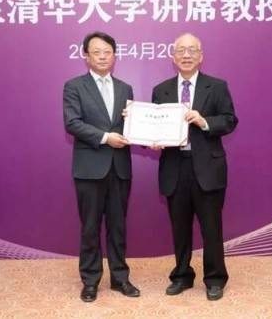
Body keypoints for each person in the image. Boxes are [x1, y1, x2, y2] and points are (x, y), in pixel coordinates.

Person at [151, 33, 238, 301]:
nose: (186, 55)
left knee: (211, 228)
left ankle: (215, 278)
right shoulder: (161, 90)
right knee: (180, 228)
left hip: (207, 168)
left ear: (201, 56)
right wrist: (153, 139)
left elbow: (229, 120)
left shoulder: (217, 86)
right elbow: (154, 124)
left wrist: (204, 121)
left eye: (192, 50)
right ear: (173, 57)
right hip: (174, 167)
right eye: (181, 50)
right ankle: (181, 276)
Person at [63, 31, 140, 302]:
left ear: (114, 56)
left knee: (118, 227)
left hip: (119, 168)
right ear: (86, 56)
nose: (103, 57)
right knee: (90, 227)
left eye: (108, 52)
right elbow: (72, 123)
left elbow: (131, 126)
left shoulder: (125, 88)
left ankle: (120, 278)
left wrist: (146, 134)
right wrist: (107, 137)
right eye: (97, 52)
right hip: (89, 168)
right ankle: (90, 280)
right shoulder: (74, 86)